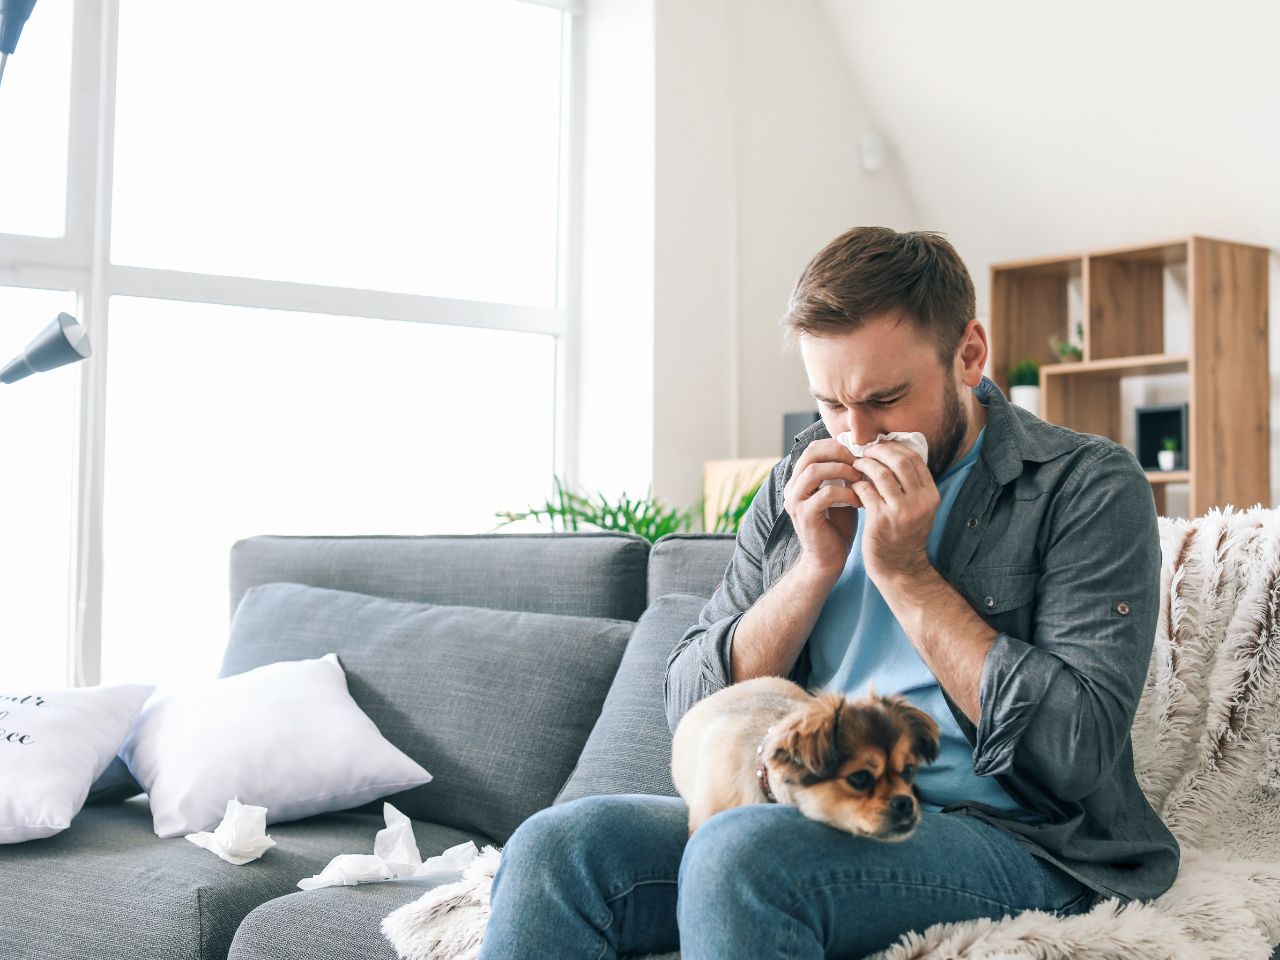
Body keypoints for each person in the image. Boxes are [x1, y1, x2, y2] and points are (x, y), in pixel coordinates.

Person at [476, 227, 1179, 959]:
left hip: (1016, 838)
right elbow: (691, 710)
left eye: (885, 399)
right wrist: (810, 569)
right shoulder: (797, 481)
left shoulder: (1084, 486)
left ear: (970, 355)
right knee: (557, 848)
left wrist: (907, 575)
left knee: (741, 853)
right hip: (808, 810)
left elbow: (1075, 750)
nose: (855, 433)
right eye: (830, 403)